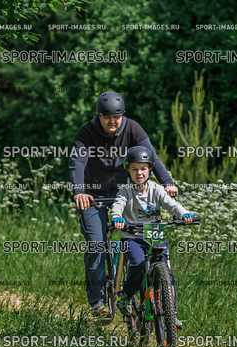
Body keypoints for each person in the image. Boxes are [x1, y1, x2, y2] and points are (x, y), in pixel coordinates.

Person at [70, 91, 178, 318]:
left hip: (127, 194)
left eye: (117, 117)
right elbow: (77, 162)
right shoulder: (87, 133)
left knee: (150, 240)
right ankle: (98, 301)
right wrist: (79, 192)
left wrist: (167, 182)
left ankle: (154, 299)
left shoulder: (133, 129)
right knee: (97, 244)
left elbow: (151, 157)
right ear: (99, 116)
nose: (113, 121)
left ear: (123, 116)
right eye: (107, 117)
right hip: (94, 196)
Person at [111, 146, 196, 328]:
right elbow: (118, 204)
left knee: (167, 272)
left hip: (154, 232)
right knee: (137, 263)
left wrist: (184, 214)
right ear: (128, 170)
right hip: (132, 235)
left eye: (143, 168)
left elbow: (172, 204)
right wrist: (117, 217)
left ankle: (171, 313)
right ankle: (126, 297)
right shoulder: (125, 190)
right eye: (134, 169)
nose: (139, 173)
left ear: (150, 169)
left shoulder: (156, 189)